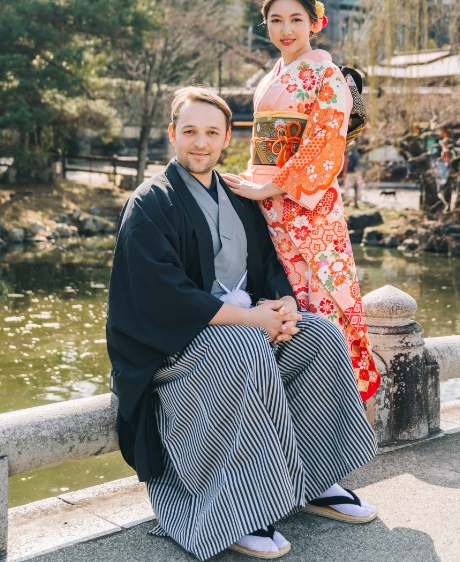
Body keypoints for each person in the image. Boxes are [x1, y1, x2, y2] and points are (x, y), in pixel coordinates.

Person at [107, 86, 378, 561]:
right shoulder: (150, 203)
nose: (200, 143)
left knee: (320, 336)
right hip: (175, 350)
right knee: (244, 346)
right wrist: (252, 320)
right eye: (189, 131)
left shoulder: (238, 195)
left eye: (212, 132)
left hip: (244, 326)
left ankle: (314, 478)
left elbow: (269, 268)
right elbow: (165, 297)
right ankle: (233, 509)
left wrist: (285, 306)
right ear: (172, 134)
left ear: (227, 138)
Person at [222, 0, 380, 402]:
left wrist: (269, 186)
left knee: (320, 294)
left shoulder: (327, 74)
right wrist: (251, 185)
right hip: (268, 200)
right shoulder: (270, 77)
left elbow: (324, 144)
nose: (285, 29)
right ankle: (294, 400)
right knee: (283, 293)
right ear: (266, 25)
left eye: (295, 19)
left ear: (315, 22)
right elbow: (263, 147)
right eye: (275, 20)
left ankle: (334, 401)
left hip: (309, 205)